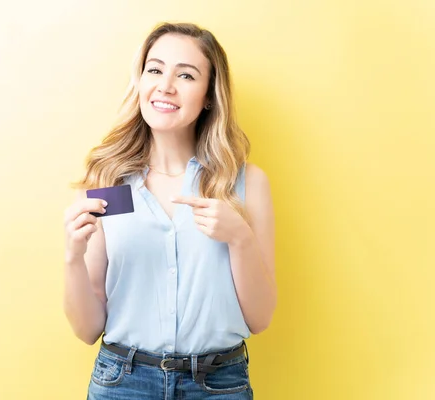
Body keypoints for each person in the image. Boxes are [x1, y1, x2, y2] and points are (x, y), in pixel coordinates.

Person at [63, 22, 276, 399]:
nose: (165, 86)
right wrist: (72, 257)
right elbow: (87, 329)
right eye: (155, 69)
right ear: (141, 81)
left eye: (186, 75)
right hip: (122, 383)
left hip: (218, 386)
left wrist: (239, 238)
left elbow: (260, 319)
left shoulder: (243, 184)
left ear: (209, 95)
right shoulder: (109, 180)